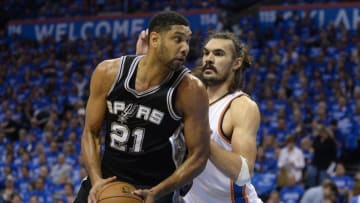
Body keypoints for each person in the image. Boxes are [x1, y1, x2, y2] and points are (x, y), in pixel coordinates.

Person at [74, 11, 211, 203]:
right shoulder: (108, 73)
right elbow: (91, 133)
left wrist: (157, 192)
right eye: (177, 39)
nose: (185, 48)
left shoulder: (190, 89)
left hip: (156, 188)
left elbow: (199, 156)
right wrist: (97, 182)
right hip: (107, 181)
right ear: (154, 39)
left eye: (187, 41)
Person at [184, 32, 262, 202]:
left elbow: (243, 174)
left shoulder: (240, 106)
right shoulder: (188, 100)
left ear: (236, 63)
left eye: (218, 54)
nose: (209, 59)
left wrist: (203, 140)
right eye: (206, 53)